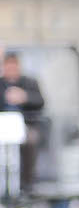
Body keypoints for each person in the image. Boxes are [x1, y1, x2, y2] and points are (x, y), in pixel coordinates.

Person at [0, 51, 45, 195]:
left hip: (26, 125)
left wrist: (24, 97)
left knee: (31, 140)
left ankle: (27, 183)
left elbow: (41, 101)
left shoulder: (29, 83)